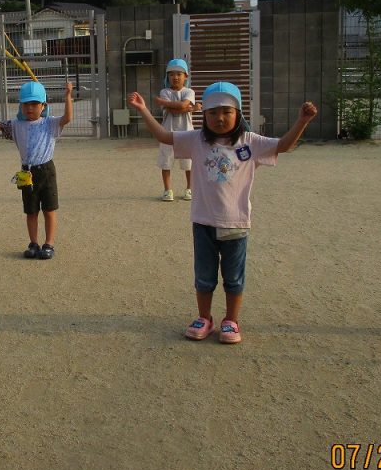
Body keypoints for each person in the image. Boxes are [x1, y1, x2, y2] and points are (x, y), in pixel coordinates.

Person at [129, 82, 317, 344]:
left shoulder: (249, 142)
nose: (220, 118)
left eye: (227, 112)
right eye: (213, 112)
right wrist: (143, 110)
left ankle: (231, 320)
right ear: (204, 114)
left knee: (234, 278)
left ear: (238, 113)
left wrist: (302, 121)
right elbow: (164, 136)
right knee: (204, 277)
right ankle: (204, 318)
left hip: (236, 223)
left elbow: (283, 145)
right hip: (203, 222)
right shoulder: (196, 140)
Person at [0, 78, 74, 259]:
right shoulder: (16, 125)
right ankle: (33, 243)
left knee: (49, 210)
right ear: (20, 106)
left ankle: (49, 244)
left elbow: (67, 118)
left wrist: (68, 97)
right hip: (27, 173)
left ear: (43, 105)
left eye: (34, 104)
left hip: (47, 171)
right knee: (31, 211)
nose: (29, 108)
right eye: (26, 104)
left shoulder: (49, 123)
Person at [154, 58, 198, 201]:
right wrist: (191, 108)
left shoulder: (189, 91)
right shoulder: (165, 91)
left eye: (179, 74)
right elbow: (174, 110)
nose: (175, 77)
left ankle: (189, 188)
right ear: (167, 77)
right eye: (171, 74)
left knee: (189, 162)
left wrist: (164, 103)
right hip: (168, 132)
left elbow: (181, 106)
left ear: (186, 76)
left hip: (187, 132)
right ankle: (168, 190)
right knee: (166, 161)